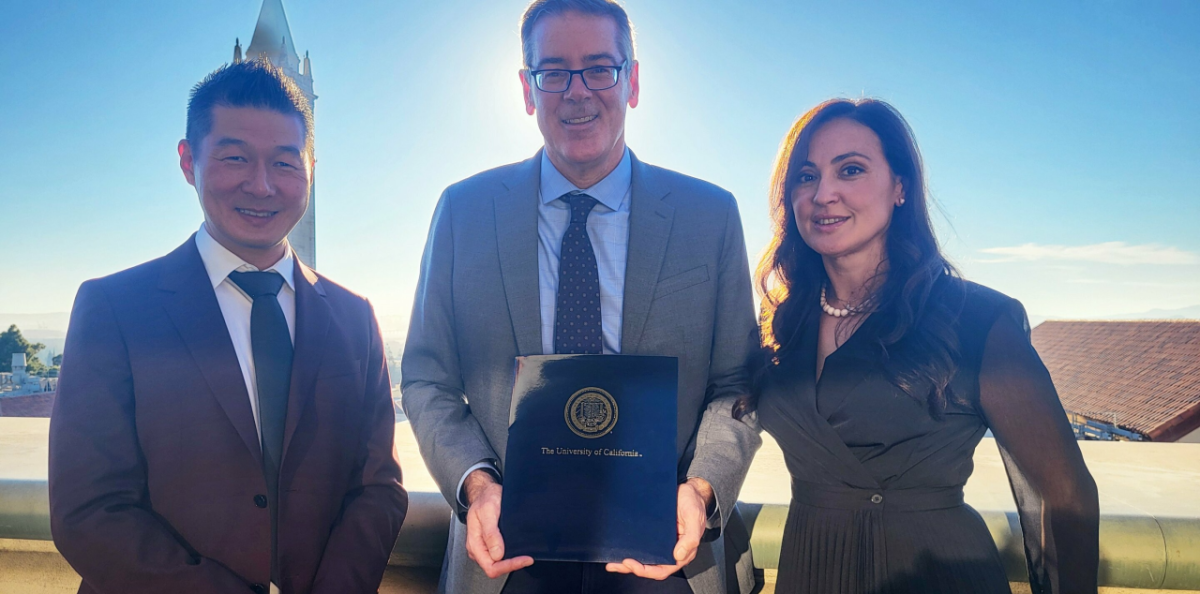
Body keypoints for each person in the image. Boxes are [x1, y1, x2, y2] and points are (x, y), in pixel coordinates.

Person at [401, 1, 761, 592]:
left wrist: (700, 489)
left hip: (668, 557)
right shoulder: (463, 212)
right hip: (506, 560)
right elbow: (425, 377)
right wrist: (477, 485)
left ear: (633, 80)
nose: (578, 92)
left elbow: (737, 385)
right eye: (554, 72)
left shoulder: (710, 215)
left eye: (599, 68)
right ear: (526, 89)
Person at [48, 59, 407, 594]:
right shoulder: (115, 309)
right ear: (188, 161)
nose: (261, 186)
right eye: (235, 157)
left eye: (285, 164)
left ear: (312, 166)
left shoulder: (353, 316)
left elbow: (378, 486)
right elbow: (89, 508)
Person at [740, 98, 1099, 593]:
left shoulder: (976, 319)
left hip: (938, 575)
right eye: (806, 176)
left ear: (900, 187)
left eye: (851, 170)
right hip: (811, 570)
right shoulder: (781, 325)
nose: (825, 193)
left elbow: (1066, 495)